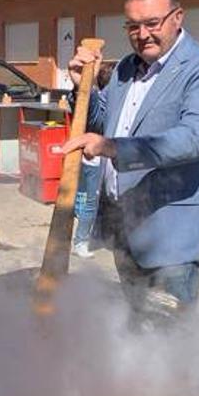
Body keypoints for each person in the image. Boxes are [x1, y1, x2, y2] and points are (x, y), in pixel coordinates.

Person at [62, 0, 199, 313]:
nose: (142, 35)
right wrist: (84, 89)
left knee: (167, 343)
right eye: (133, 26)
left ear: (177, 17)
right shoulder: (125, 68)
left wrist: (113, 148)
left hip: (173, 240)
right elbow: (102, 120)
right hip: (126, 228)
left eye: (152, 23)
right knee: (138, 331)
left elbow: (193, 138)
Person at [72, 64, 113, 259]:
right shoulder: (103, 97)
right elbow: (96, 119)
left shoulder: (107, 97)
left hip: (103, 161)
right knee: (90, 201)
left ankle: (95, 236)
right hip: (94, 160)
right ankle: (80, 241)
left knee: (96, 201)